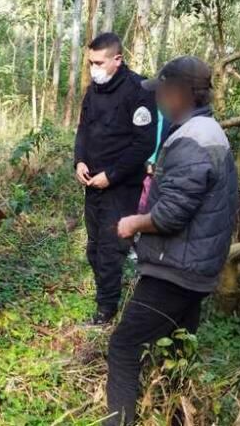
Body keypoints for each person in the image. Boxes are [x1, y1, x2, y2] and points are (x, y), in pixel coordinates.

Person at [104, 56, 239, 425]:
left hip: (176, 270)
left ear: (180, 93)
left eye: (162, 91)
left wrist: (133, 223)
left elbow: (170, 215)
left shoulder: (193, 140)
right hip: (196, 268)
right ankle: (175, 416)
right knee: (177, 351)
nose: (158, 99)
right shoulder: (207, 131)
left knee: (123, 346)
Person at [74, 32, 161, 325]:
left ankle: (106, 311)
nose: (93, 69)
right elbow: (83, 129)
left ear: (117, 59)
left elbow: (143, 144)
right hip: (92, 183)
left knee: (111, 250)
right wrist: (80, 161)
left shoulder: (139, 90)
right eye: (90, 63)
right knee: (95, 247)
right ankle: (106, 296)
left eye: (98, 63)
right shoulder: (93, 91)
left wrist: (110, 176)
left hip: (120, 187)